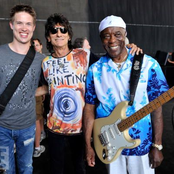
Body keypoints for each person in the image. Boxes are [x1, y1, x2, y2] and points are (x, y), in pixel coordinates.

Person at [36, 13, 142, 174]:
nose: (59, 33)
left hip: (79, 128)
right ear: (48, 38)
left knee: (80, 168)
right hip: (54, 128)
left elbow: (110, 59)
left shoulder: (83, 55)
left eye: (63, 30)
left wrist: (127, 46)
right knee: (55, 169)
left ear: (69, 35)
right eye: (53, 30)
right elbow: (47, 87)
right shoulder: (45, 63)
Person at [83, 15, 169, 174]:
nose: (112, 40)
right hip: (108, 143)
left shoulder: (147, 64)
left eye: (117, 34)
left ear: (125, 35)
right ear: (101, 40)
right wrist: (88, 145)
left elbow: (156, 108)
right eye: (106, 36)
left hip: (141, 144)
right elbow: (89, 109)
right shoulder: (95, 70)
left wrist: (157, 145)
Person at [0, 5, 45, 174]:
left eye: (28, 24)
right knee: (5, 170)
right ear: (11, 25)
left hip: (27, 127)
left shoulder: (41, 60)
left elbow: (55, 84)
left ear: (33, 27)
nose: (24, 28)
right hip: (1, 127)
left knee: (27, 168)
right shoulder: (0, 53)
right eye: (19, 23)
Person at [32, 38, 46, 157]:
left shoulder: (43, 59)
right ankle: (37, 147)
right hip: (34, 93)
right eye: (34, 45)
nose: (35, 47)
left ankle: (41, 133)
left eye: (37, 45)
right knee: (36, 118)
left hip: (39, 92)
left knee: (39, 116)